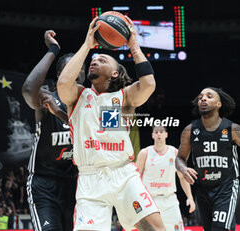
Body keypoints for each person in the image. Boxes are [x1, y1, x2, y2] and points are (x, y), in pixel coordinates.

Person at [57, 16, 165, 231]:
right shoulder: (78, 95)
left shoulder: (125, 99)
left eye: (103, 60)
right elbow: (63, 82)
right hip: (91, 178)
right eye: (94, 59)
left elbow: (149, 83)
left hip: (123, 173)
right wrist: (88, 45)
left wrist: (133, 45)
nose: (95, 61)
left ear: (115, 73)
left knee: (154, 228)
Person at [176, 87, 240, 231]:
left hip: (226, 186)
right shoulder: (189, 130)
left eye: (209, 96)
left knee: (219, 228)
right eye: (201, 97)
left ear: (219, 104)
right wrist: (183, 168)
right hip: (202, 188)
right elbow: (180, 158)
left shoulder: (233, 129)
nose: (203, 99)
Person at [22, 30, 85, 231]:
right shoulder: (47, 97)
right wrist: (53, 50)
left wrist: (58, 113)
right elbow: (28, 89)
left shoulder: (90, 103)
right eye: (70, 68)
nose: (77, 72)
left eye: (81, 68)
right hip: (44, 183)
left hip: (75, 183)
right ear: (60, 75)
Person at [136, 126, 195, 231]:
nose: (159, 134)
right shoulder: (145, 153)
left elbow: (182, 177)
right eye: (156, 132)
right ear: (152, 135)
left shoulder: (174, 152)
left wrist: (190, 197)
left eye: (161, 132)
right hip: (150, 201)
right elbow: (135, 179)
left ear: (166, 134)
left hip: (170, 200)